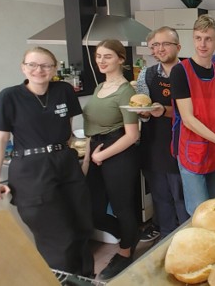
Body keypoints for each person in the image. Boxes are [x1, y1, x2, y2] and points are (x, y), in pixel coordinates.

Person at [0, 47, 94, 277]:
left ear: (54, 69)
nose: (39, 70)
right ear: (23, 67)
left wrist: (75, 161)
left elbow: (68, 130)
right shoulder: (9, 96)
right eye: (32, 64)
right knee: (58, 239)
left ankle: (86, 280)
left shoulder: (63, 90)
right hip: (32, 171)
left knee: (82, 229)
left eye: (45, 65)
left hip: (65, 164)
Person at [170, 14, 215, 215]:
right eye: (198, 38)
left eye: (208, 38)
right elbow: (188, 119)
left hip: (214, 150)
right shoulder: (180, 72)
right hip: (191, 150)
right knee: (199, 212)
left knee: (212, 206)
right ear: (193, 38)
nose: (203, 44)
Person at [82, 39, 141, 279]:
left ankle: (125, 252)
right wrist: (88, 160)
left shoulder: (127, 91)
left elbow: (132, 135)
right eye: (98, 56)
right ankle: (130, 234)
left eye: (107, 56)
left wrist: (101, 155)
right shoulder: (99, 88)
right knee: (93, 211)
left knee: (122, 207)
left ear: (120, 58)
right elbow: (91, 128)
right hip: (96, 149)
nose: (101, 61)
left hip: (118, 152)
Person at [136, 26, 190, 240]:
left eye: (165, 43)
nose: (160, 48)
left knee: (182, 197)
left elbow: (194, 112)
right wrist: (144, 113)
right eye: (156, 44)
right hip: (153, 145)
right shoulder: (146, 75)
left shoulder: (188, 73)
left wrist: (165, 111)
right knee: (161, 198)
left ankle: (185, 239)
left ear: (178, 46)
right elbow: (142, 109)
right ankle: (166, 240)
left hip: (182, 145)